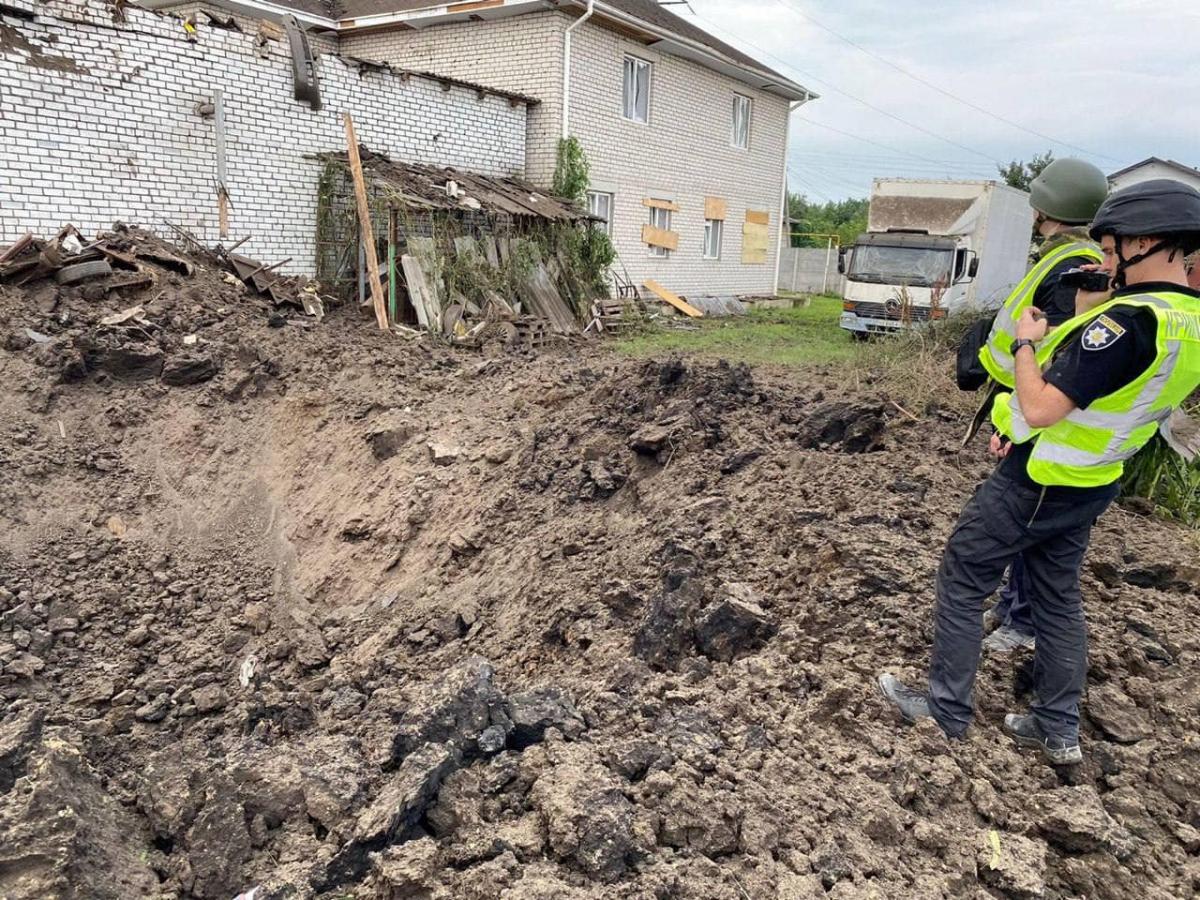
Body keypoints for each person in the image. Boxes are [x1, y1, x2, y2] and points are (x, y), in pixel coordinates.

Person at [880, 178, 1200, 765]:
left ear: (1145, 242)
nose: (1106, 262)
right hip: (1092, 481)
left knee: (963, 576)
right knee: (1057, 598)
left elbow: (1043, 407)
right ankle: (1057, 730)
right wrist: (1083, 314)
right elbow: (1109, 398)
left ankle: (946, 714)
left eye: (1113, 250)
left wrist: (1027, 344)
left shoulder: (1126, 323)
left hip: (1039, 482)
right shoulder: (1187, 318)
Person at [975, 159, 1111, 652]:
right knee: (1027, 520)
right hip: (1036, 409)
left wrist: (1015, 425)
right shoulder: (1071, 257)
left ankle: (1022, 622)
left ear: (1045, 206)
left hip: (1044, 418)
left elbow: (1053, 352)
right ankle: (1013, 608)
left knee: (1031, 522)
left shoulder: (1073, 266)